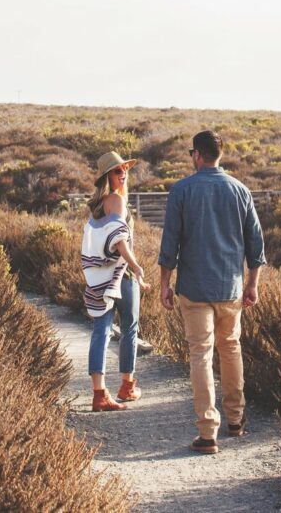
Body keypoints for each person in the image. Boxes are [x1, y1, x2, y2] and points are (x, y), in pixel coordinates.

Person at [158, 130, 266, 454]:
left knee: (201, 354)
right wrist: (252, 283)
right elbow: (256, 245)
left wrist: (164, 283)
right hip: (229, 286)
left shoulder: (181, 190)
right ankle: (236, 419)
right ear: (219, 154)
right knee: (230, 349)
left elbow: (169, 244)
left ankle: (208, 432)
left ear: (197, 155)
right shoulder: (240, 190)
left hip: (194, 288)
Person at [82, 151, 150, 412]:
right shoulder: (116, 202)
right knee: (130, 327)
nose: (122, 174)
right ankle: (127, 386)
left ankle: (99, 394)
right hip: (122, 274)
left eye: (124, 170)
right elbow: (119, 238)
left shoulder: (97, 205)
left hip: (100, 276)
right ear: (106, 177)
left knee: (101, 329)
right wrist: (136, 266)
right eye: (116, 171)